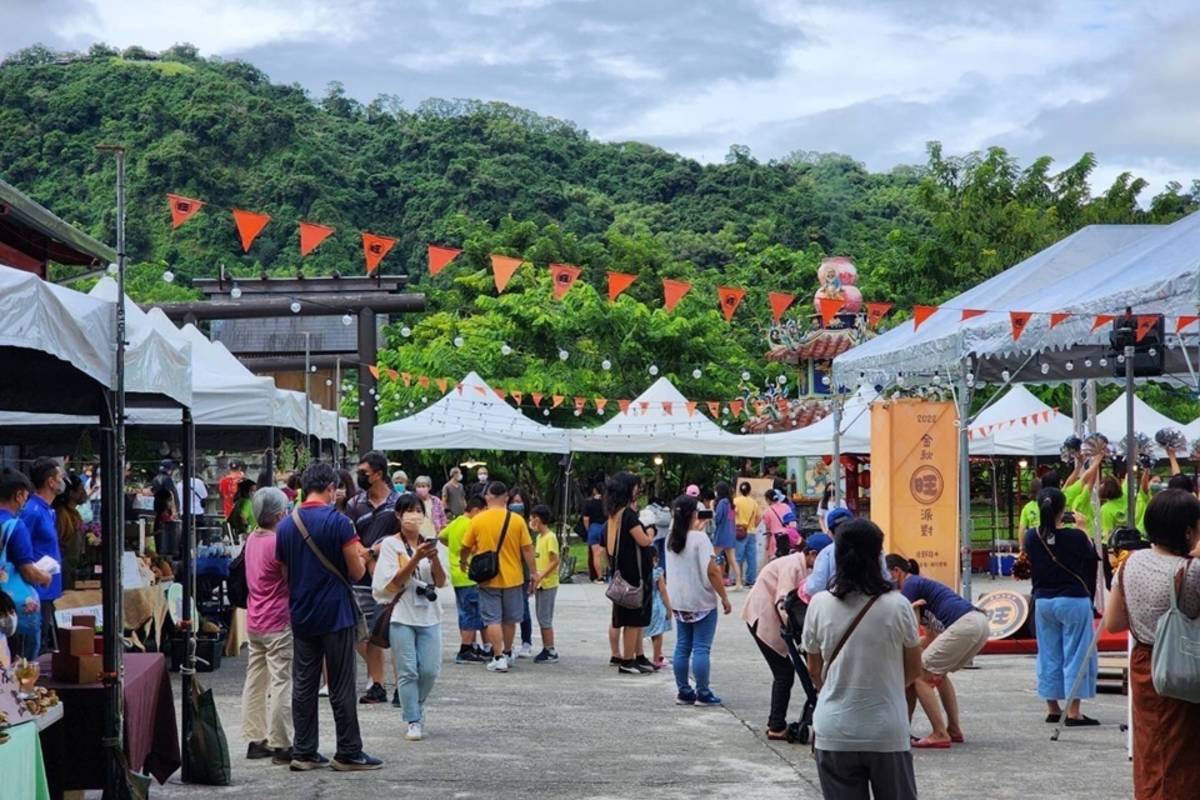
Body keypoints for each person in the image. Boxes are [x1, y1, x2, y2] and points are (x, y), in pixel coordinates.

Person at [802, 519, 922, 800]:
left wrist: (837, 688)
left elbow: (813, 669)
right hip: (887, 730)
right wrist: (886, 685)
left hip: (834, 731)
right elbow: (914, 669)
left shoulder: (819, 604)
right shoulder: (898, 606)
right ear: (878, 556)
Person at [274, 462, 381, 771]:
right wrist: (366, 555)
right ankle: (348, 751)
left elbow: (284, 573)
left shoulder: (286, 524)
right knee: (341, 683)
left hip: (302, 613)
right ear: (331, 489)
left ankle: (304, 751)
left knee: (304, 683)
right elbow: (357, 571)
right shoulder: (341, 522)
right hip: (336, 613)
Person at [1104, 488, 1200, 799]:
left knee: (1150, 749)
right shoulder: (1191, 571)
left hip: (1144, 662)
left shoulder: (1130, 562)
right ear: (1187, 531)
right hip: (1183, 664)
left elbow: (1114, 622)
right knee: (1182, 752)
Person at [887, 555, 990, 748]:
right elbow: (929, 638)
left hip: (966, 624)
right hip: (979, 624)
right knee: (938, 673)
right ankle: (953, 729)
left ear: (896, 572)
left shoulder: (909, 585)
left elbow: (906, 628)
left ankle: (939, 733)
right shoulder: (921, 587)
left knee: (919, 676)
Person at [1024, 487, 1100, 725]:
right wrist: (1084, 527)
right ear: (1063, 509)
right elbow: (1091, 557)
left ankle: (1053, 707)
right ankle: (1074, 710)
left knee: (1048, 653)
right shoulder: (1076, 536)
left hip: (1044, 601)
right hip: (1073, 599)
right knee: (1076, 652)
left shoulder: (1031, 536)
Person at [373, 493, 445, 742]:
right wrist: (415, 558)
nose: (414, 515)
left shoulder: (429, 543)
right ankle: (413, 718)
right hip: (402, 614)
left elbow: (441, 581)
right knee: (407, 671)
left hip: (429, 614)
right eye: (409, 510)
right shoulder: (391, 545)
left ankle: (417, 704)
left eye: (418, 510)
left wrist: (433, 559)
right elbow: (391, 583)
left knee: (429, 670)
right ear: (398, 515)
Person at [459, 481, 536, 673]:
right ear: (506, 498)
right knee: (510, 619)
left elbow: (465, 546)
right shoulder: (517, 520)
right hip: (514, 577)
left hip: (488, 577)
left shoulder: (478, 520)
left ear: (487, 497)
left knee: (492, 619)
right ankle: (508, 653)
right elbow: (527, 549)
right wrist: (534, 573)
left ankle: (498, 656)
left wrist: (463, 561)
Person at [241, 487, 293, 765]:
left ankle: (255, 738)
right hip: (277, 620)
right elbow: (289, 579)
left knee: (255, 679)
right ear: (277, 515)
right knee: (281, 680)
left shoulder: (252, 539)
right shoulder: (278, 543)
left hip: (255, 619)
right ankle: (282, 743)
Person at [666, 493, 731, 703]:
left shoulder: (671, 538)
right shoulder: (700, 539)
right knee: (701, 648)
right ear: (694, 513)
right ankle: (703, 692)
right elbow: (712, 571)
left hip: (679, 601)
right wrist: (724, 597)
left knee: (682, 646)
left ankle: (684, 691)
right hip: (701, 600)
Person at [742, 541, 810, 738]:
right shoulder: (793, 566)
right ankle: (776, 726)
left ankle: (776, 723)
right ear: (812, 554)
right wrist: (799, 633)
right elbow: (783, 602)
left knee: (785, 671)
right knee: (784, 672)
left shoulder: (800, 564)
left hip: (767, 616)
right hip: (763, 616)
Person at [346, 451, 398, 705]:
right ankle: (377, 684)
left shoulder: (398, 503)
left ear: (378, 474)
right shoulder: (355, 504)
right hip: (362, 578)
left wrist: (376, 552)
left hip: (391, 578)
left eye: (364, 473)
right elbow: (350, 536)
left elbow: (405, 536)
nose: (360, 477)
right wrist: (366, 559)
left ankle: (401, 685)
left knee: (393, 633)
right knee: (364, 634)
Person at [606, 472, 657, 674]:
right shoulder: (627, 514)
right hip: (634, 574)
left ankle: (639, 656)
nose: (637, 490)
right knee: (634, 619)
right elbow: (644, 540)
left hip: (622, 570)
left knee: (632, 617)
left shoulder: (614, 512)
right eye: (635, 487)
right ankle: (628, 661)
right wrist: (651, 531)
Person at [0, 468, 51, 661]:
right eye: (26, 496)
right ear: (19, 495)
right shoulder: (15, 526)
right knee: (18, 659)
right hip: (9, 608)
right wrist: (45, 577)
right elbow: (28, 572)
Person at [22, 458, 64, 656]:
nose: (63, 481)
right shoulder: (32, 511)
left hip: (48, 588)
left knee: (44, 638)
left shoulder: (48, 511)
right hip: (37, 588)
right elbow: (20, 545)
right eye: (60, 477)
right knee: (35, 643)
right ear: (50, 481)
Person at [439, 494, 488, 663]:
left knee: (465, 612)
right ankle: (466, 648)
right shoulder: (471, 524)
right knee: (471, 613)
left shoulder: (456, 522)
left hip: (457, 575)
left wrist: (453, 548)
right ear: (476, 510)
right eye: (483, 512)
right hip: (469, 574)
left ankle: (471, 646)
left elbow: (441, 536)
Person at [528, 504, 560, 663]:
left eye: (532, 518)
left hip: (548, 583)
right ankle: (546, 647)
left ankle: (550, 649)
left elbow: (554, 561)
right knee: (541, 616)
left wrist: (541, 576)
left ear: (538, 519)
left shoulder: (550, 537)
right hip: (540, 582)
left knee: (545, 617)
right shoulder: (539, 538)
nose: (530, 521)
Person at [508, 488, 536, 659]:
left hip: (523, 573)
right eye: (514, 501)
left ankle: (526, 641)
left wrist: (533, 574)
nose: (516, 504)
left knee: (523, 608)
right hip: (508, 570)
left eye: (519, 501)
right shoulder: (506, 522)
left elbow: (529, 549)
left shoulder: (527, 525)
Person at [53, 474, 87, 591]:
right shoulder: (62, 514)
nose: (84, 492)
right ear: (71, 493)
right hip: (63, 569)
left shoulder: (75, 514)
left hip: (72, 568)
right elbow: (57, 541)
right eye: (81, 489)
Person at [645, 550, 672, 669]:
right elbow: (663, 592)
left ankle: (637, 655)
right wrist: (669, 608)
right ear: (655, 559)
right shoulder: (657, 573)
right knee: (657, 633)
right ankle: (656, 658)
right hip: (656, 605)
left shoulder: (640, 571)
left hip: (644, 604)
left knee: (644, 631)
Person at [732, 481, 762, 588]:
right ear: (749, 491)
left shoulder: (735, 501)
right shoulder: (754, 503)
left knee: (737, 556)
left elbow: (731, 515)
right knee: (751, 557)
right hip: (751, 532)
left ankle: (735, 578)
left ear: (739, 490)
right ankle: (750, 579)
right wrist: (753, 526)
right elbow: (759, 517)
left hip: (738, 532)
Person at [712, 481, 740, 589]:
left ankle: (712, 580)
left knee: (712, 557)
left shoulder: (721, 503)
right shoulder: (730, 502)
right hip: (731, 533)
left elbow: (718, 518)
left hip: (722, 533)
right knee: (732, 559)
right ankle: (738, 582)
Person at [764, 489, 799, 560]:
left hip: (776, 541)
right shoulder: (786, 506)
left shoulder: (767, 512)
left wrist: (767, 544)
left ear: (768, 499)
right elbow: (793, 522)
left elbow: (768, 530)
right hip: (789, 538)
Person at [582, 481, 607, 583]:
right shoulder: (607, 503)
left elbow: (585, 519)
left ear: (594, 490)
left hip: (594, 527)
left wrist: (588, 529)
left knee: (595, 554)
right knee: (606, 553)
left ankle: (599, 577)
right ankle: (609, 573)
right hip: (605, 527)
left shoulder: (589, 503)